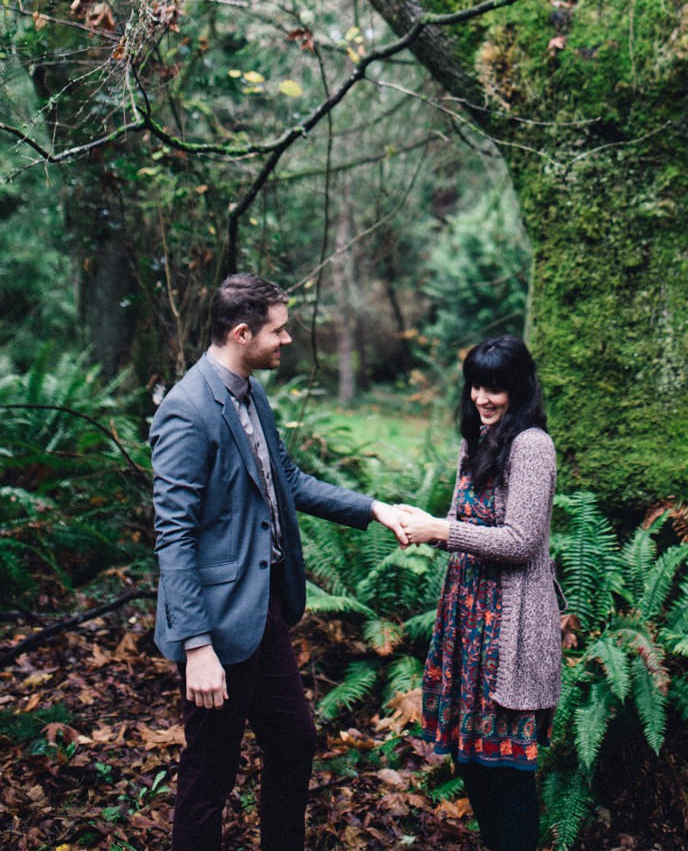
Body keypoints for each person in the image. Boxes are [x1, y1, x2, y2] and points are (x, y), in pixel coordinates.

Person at [149, 271, 410, 851]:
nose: (288, 340)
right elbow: (174, 536)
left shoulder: (252, 393)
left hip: (264, 610)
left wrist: (375, 509)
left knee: (293, 741)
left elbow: (286, 480)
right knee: (209, 775)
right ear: (242, 334)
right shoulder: (187, 411)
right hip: (215, 623)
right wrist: (196, 648)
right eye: (280, 330)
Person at [401, 334, 561, 851]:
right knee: (471, 761)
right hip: (466, 626)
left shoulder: (532, 445)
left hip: (509, 632)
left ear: (520, 389)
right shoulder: (475, 441)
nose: (482, 399)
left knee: (509, 773)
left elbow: (521, 541)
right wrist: (416, 524)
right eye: (475, 386)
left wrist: (441, 532)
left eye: (495, 388)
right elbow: (457, 520)